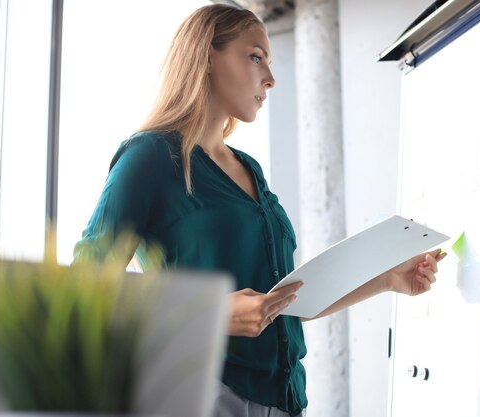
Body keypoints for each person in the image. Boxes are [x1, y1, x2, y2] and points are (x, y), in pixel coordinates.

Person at [73, 4, 446, 417]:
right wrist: (209, 313)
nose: (269, 79)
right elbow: (86, 289)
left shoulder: (249, 169)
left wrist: (387, 278)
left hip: (287, 403)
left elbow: (283, 302)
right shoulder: (151, 157)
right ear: (208, 56)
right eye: (255, 57)